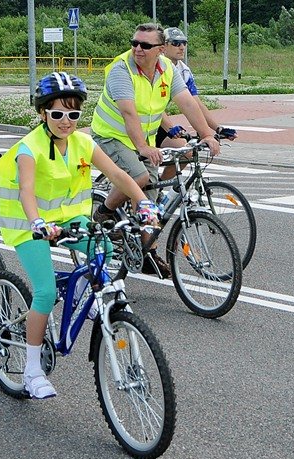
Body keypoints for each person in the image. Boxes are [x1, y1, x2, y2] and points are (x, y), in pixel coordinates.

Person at [0, 72, 159, 399]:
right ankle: (31, 370)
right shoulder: (30, 149)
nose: (66, 121)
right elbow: (27, 192)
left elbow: (118, 175)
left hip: (70, 221)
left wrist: (144, 205)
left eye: (73, 114)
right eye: (57, 114)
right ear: (43, 114)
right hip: (29, 226)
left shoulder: (84, 143)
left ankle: (90, 298)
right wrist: (37, 222)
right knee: (43, 293)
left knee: (106, 254)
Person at [90, 22, 221, 278]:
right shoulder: (121, 69)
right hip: (110, 136)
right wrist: (143, 147)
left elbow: (186, 102)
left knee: (149, 202)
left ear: (160, 49)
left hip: (141, 138)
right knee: (139, 177)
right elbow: (128, 112)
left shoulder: (167, 70)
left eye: (146, 45)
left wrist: (207, 133)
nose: (138, 49)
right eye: (134, 43)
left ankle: (147, 250)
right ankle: (103, 212)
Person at [155, 27, 237, 180]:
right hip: (143, 120)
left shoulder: (183, 71)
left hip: (157, 121)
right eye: (176, 43)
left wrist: (218, 128)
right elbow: (151, 105)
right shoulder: (155, 67)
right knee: (144, 169)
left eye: (184, 43)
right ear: (163, 46)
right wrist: (171, 128)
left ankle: (159, 187)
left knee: (187, 153)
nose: (182, 47)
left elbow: (195, 103)